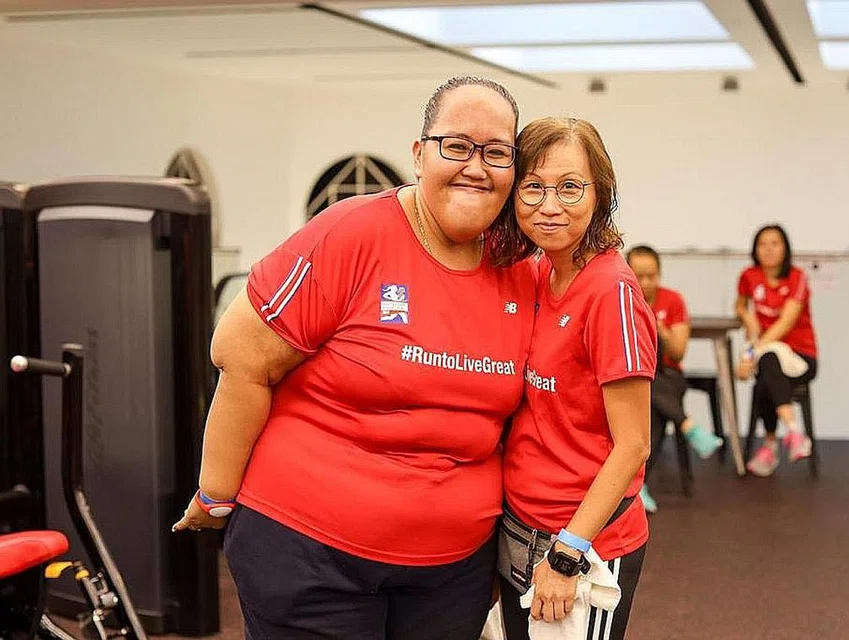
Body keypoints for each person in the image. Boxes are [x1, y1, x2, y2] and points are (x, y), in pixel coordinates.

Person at [171, 75, 538, 640]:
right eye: (457, 146)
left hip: (451, 571)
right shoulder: (352, 232)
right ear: (419, 154)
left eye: (497, 152)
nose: (476, 166)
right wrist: (217, 493)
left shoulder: (520, 268)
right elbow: (240, 353)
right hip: (310, 554)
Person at [487, 117, 657, 640]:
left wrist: (568, 554)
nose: (550, 205)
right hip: (518, 529)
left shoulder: (613, 294)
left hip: (580, 542)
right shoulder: (538, 272)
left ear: (600, 194)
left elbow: (633, 445)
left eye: (569, 187)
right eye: (533, 187)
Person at [626, 245, 722, 512]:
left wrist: (657, 327)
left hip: (668, 375)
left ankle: (637, 485)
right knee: (650, 398)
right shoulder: (621, 299)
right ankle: (689, 426)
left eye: (651, 275)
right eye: (639, 275)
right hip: (634, 376)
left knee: (653, 400)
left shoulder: (673, 300)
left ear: (660, 273)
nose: (645, 282)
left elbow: (678, 354)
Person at [735, 224, 818, 477]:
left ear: (785, 248)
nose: (768, 249)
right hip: (768, 356)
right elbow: (739, 306)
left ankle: (776, 440)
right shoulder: (748, 276)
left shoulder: (797, 277)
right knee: (767, 375)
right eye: (762, 244)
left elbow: (786, 322)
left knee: (767, 362)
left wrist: (750, 354)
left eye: (775, 243)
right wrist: (748, 319)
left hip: (800, 356)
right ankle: (791, 435)